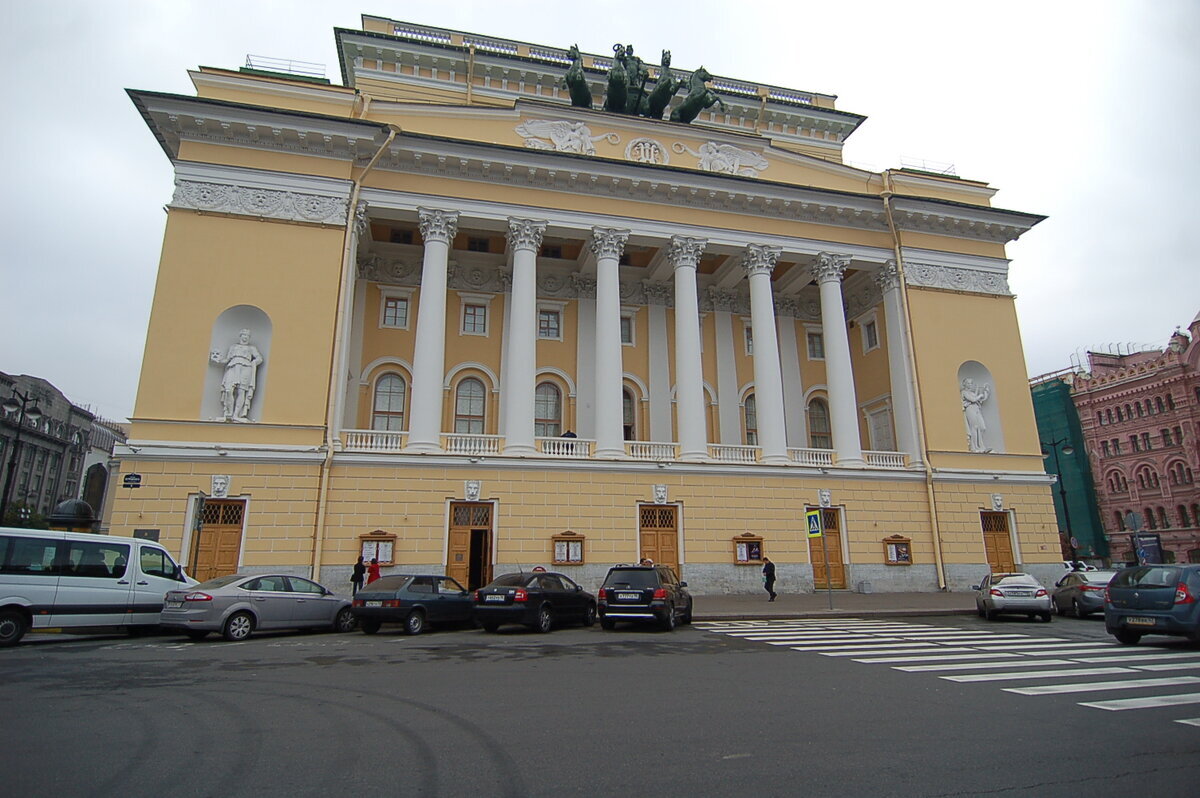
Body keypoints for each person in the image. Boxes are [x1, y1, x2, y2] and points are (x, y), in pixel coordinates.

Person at [211, 328, 264, 422]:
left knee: (241, 391)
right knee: (228, 390)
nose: (245, 337)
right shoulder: (233, 347)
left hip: (246, 368)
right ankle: (228, 413)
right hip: (233, 366)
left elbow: (259, 358)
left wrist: (254, 363)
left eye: (247, 336)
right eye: (244, 335)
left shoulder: (251, 348)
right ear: (240, 336)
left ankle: (236, 415)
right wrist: (218, 360)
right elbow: (227, 359)